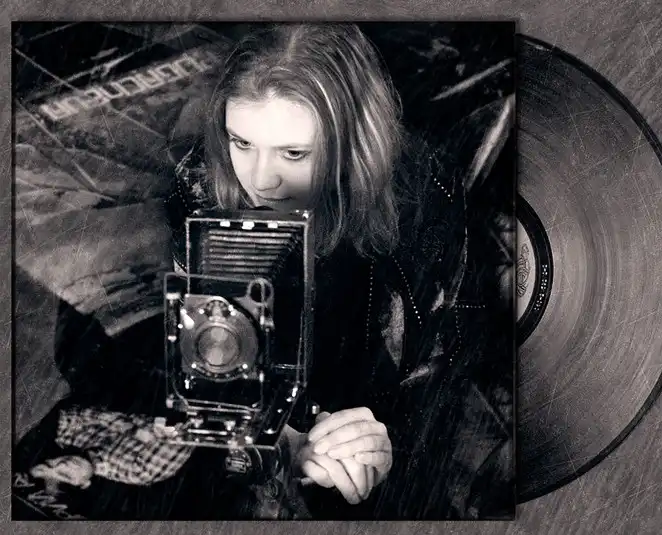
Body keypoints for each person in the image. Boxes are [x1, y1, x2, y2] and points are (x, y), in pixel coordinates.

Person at [14, 22, 514, 520]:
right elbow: (214, 345)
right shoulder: (202, 185)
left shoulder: (424, 198)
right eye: (242, 142)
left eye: (293, 153)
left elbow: (438, 365)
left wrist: (380, 441)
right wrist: (279, 437)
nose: (259, 179)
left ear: (356, 146)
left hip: (366, 374)